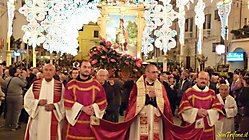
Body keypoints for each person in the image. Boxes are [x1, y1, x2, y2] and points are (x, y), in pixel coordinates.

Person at [125, 64, 173, 139]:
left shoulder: (161, 86)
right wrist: (146, 98)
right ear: (146, 73)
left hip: (156, 114)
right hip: (142, 114)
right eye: (153, 72)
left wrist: (155, 100)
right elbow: (132, 102)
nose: (156, 74)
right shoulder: (138, 85)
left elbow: (166, 103)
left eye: (157, 72)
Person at [63, 60, 107, 140]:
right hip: (75, 123)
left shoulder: (96, 85)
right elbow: (67, 102)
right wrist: (82, 108)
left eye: (89, 67)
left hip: (91, 122)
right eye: (84, 67)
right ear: (79, 68)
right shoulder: (71, 85)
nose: (87, 69)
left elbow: (102, 101)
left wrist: (94, 107)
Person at [178, 71, 224, 140]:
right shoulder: (189, 92)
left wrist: (208, 112)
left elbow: (217, 108)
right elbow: (184, 109)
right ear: (196, 79)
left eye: (205, 79)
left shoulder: (212, 93)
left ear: (208, 80)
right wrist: (196, 112)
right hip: (192, 128)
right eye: (201, 78)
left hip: (208, 128)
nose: (203, 81)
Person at [24, 64, 65, 140]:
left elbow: (64, 102)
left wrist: (55, 106)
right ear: (42, 71)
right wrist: (38, 103)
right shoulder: (35, 84)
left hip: (53, 116)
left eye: (50, 70)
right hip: (37, 117)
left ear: (54, 72)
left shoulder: (60, 86)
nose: (48, 72)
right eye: (46, 70)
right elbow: (27, 100)